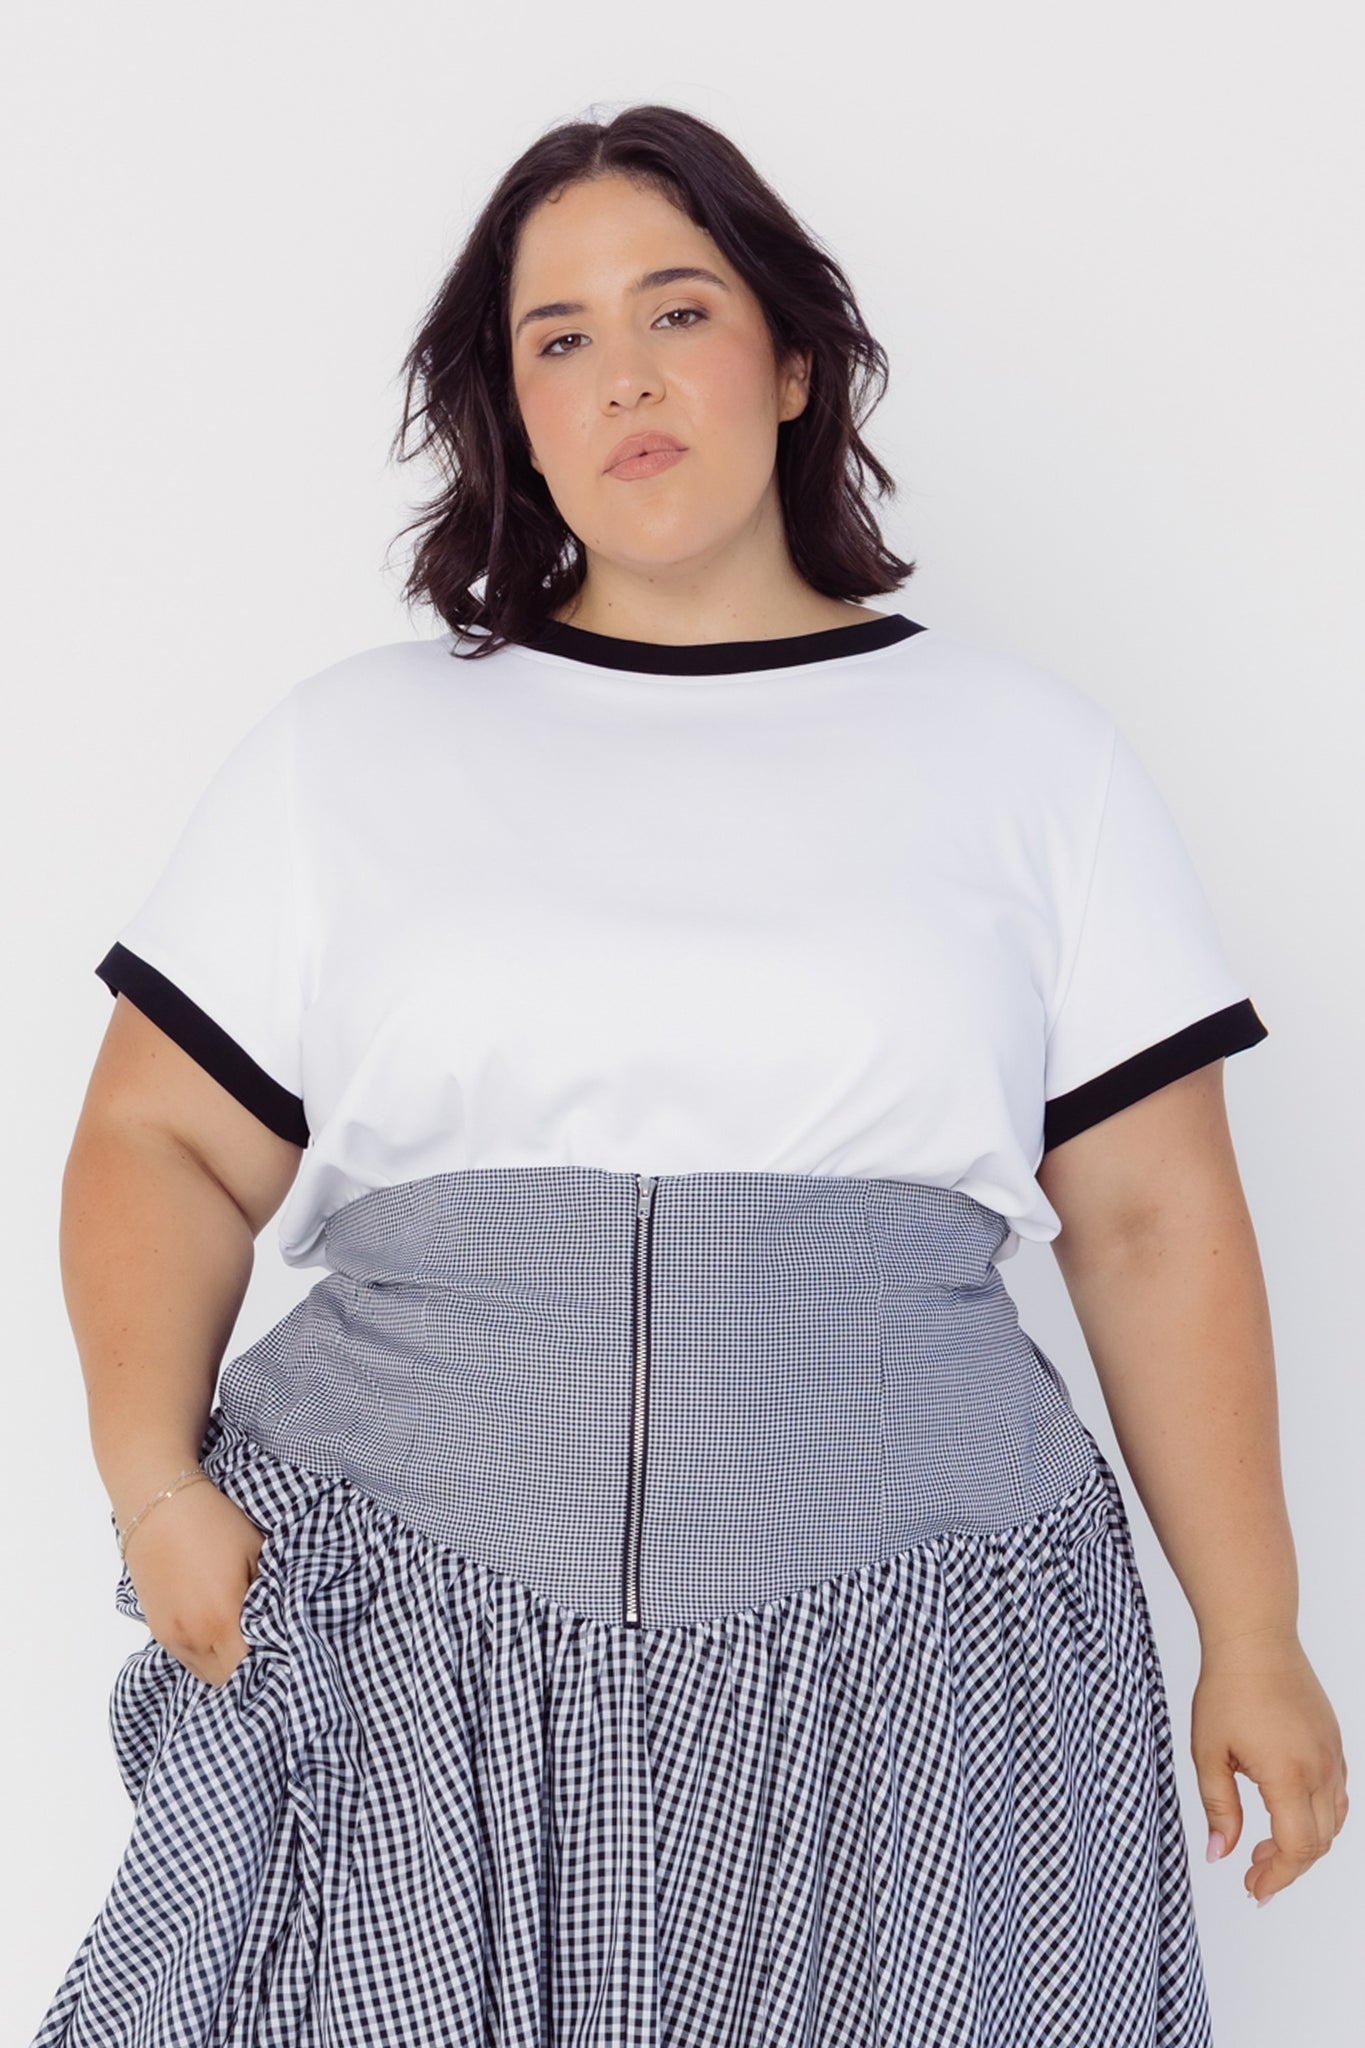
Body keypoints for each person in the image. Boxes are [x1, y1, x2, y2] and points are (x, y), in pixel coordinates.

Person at [31, 102, 1346, 2048]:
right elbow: (156, 1140)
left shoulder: (1021, 761)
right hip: (416, 1643)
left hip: (918, 1653)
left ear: (790, 360)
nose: (622, 374)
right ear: (507, 406)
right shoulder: (351, 756)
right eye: (555, 336)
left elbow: (1147, 1219)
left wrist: (1249, 1628)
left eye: (676, 308)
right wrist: (152, 1485)